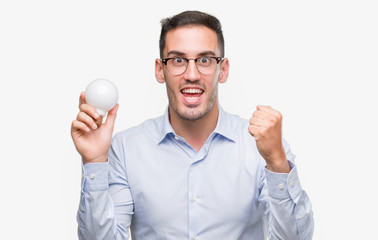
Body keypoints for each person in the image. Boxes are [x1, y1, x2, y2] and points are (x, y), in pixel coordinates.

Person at [71, 10, 314, 240]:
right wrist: (94, 163)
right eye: (178, 60)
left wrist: (277, 163)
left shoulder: (262, 146)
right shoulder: (125, 149)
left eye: (205, 60)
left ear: (223, 69)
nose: (192, 74)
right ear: (160, 70)